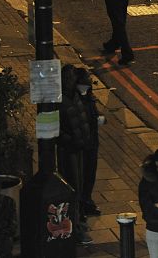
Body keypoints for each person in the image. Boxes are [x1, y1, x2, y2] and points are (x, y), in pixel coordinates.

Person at [57, 64, 92, 245]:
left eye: (72, 77)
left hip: (78, 148)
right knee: (72, 188)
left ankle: (77, 221)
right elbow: (56, 130)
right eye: (68, 78)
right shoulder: (59, 100)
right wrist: (70, 140)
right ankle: (74, 228)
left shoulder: (75, 94)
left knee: (79, 187)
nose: (71, 80)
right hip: (68, 151)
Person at [75, 67, 104, 217]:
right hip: (82, 143)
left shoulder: (88, 95)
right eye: (86, 78)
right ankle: (81, 206)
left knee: (90, 174)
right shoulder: (76, 98)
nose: (89, 80)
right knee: (82, 175)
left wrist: (99, 117)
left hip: (92, 140)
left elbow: (93, 112)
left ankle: (87, 201)